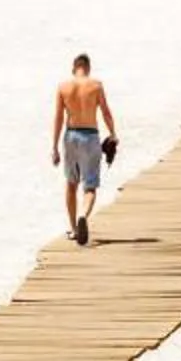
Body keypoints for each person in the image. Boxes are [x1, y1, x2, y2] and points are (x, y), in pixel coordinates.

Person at [52, 52, 118, 246]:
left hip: (71, 136)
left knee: (71, 184)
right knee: (89, 186)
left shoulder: (63, 87)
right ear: (88, 68)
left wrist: (54, 147)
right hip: (90, 136)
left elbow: (58, 118)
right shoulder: (96, 85)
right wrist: (113, 133)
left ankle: (73, 229)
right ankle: (83, 215)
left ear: (74, 68)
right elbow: (105, 111)